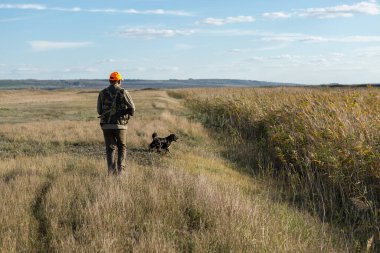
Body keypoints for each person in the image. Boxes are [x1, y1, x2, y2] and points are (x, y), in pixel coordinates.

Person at [97, 72, 135, 175]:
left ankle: (111, 172)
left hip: (106, 125)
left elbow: (99, 111)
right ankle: (121, 172)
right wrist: (125, 113)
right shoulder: (123, 92)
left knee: (110, 148)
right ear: (119, 81)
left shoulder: (102, 93)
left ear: (110, 81)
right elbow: (132, 109)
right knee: (122, 146)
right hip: (120, 125)